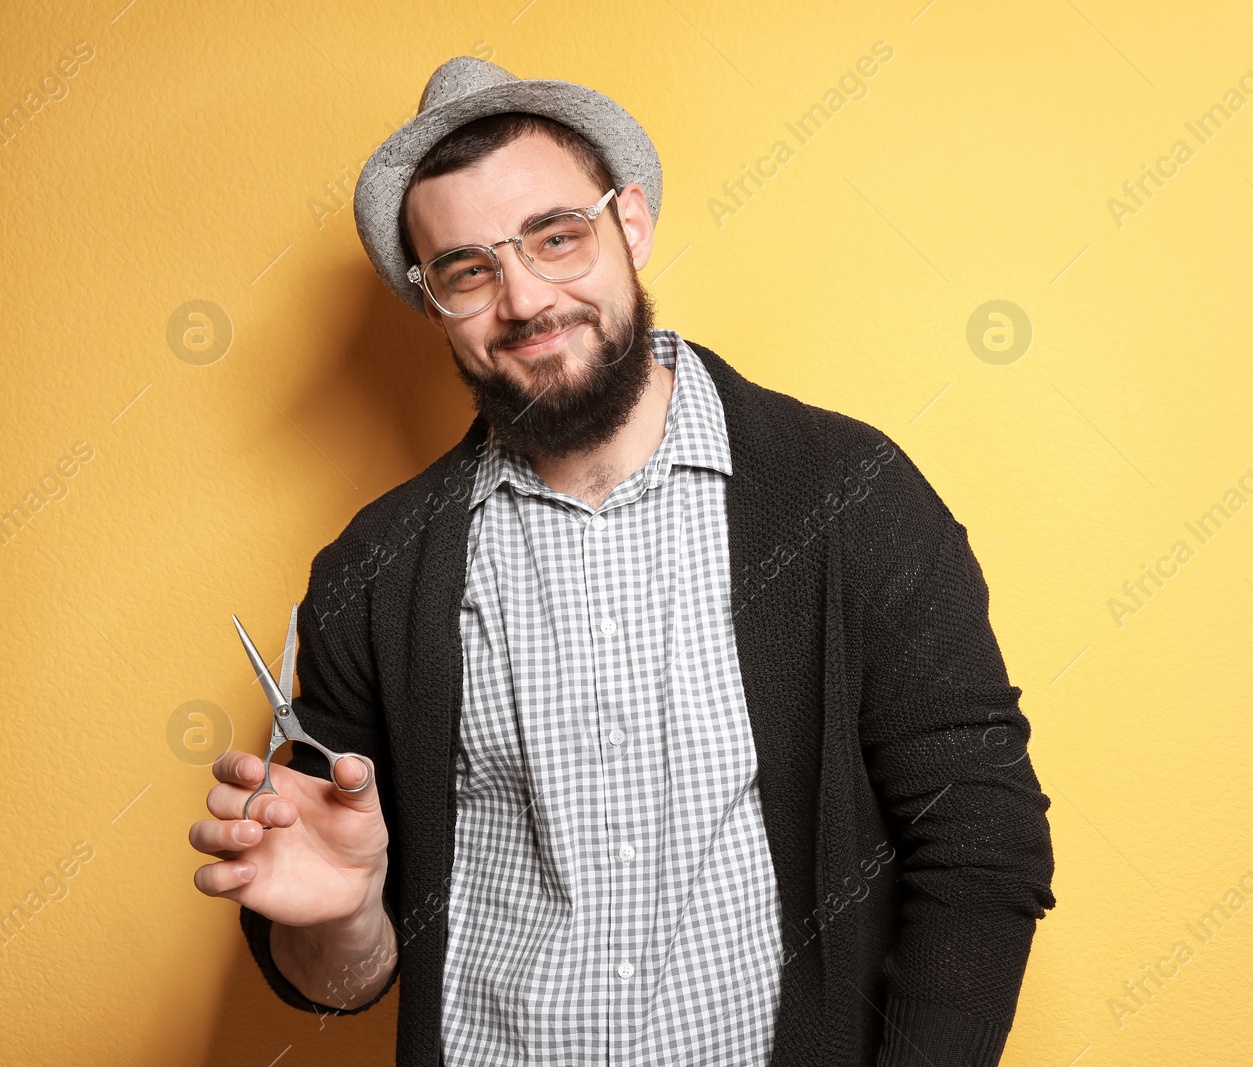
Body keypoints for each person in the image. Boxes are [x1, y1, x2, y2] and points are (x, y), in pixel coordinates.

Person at [189, 55, 1055, 1067]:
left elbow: (981, 843)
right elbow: (335, 975)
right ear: (432, 302)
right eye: (470, 269)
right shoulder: (372, 572)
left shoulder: (847, 490)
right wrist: (343, 920)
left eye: (557, 237)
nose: (525, 299)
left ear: (628, 223)